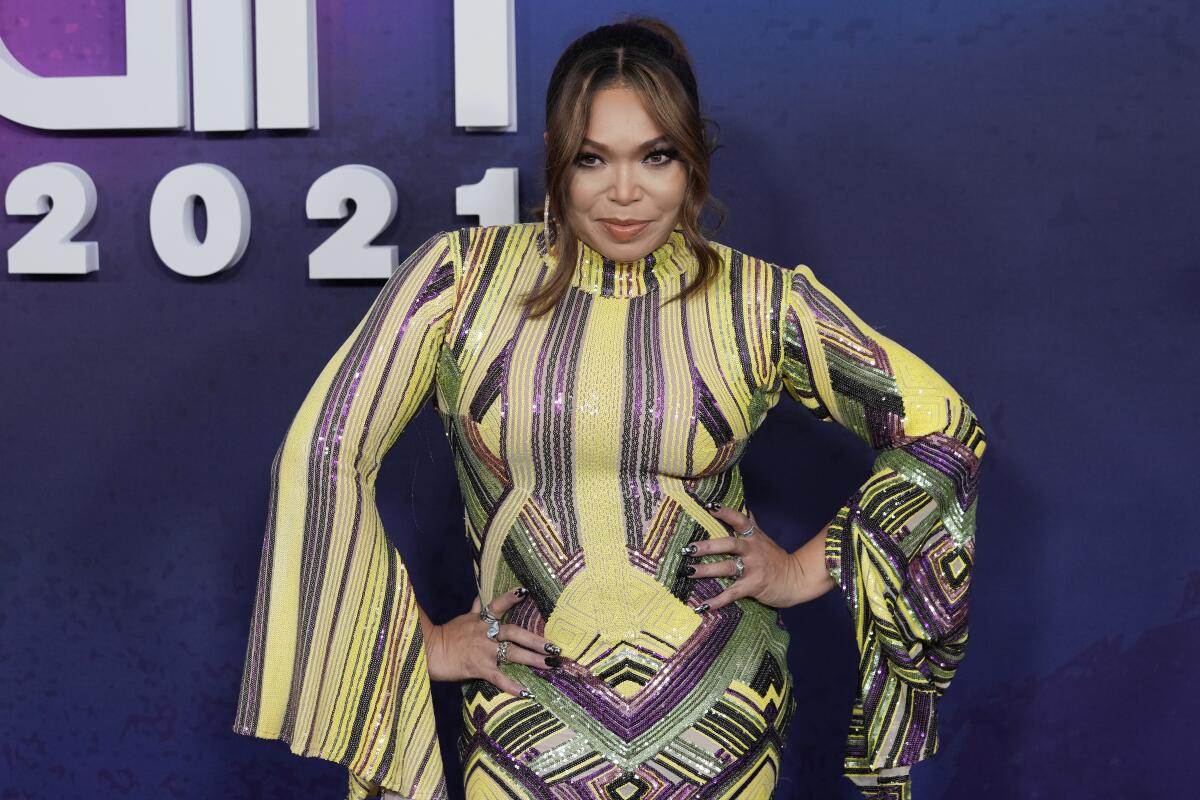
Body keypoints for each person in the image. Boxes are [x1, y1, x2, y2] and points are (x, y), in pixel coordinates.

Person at [231, 16, 986, 800]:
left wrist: (801, 568)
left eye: (655, 156)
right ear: (557, 163)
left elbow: (942, 429)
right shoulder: (458, 284)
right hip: (526, 714)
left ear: (692, 161)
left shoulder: (760, 302)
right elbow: (324, 454)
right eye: (593, 159)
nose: (624, 191)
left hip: (720, 714)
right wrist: (417, 645)